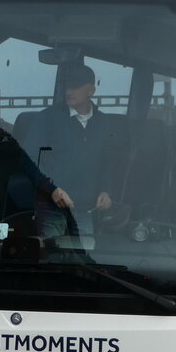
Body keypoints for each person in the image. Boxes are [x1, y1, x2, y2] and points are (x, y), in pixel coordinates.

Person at [22, 64, 123, 238]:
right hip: (51, 211)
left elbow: (108, 162)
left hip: (86, 212)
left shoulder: (103, 123)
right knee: (50, 261)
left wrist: (107, 191)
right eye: (67, 86)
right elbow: (28, 159)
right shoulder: (47, 118)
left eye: (75, 87)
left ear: (91, 90)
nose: (68, 91)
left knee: (84, 262)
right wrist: (52, 190)